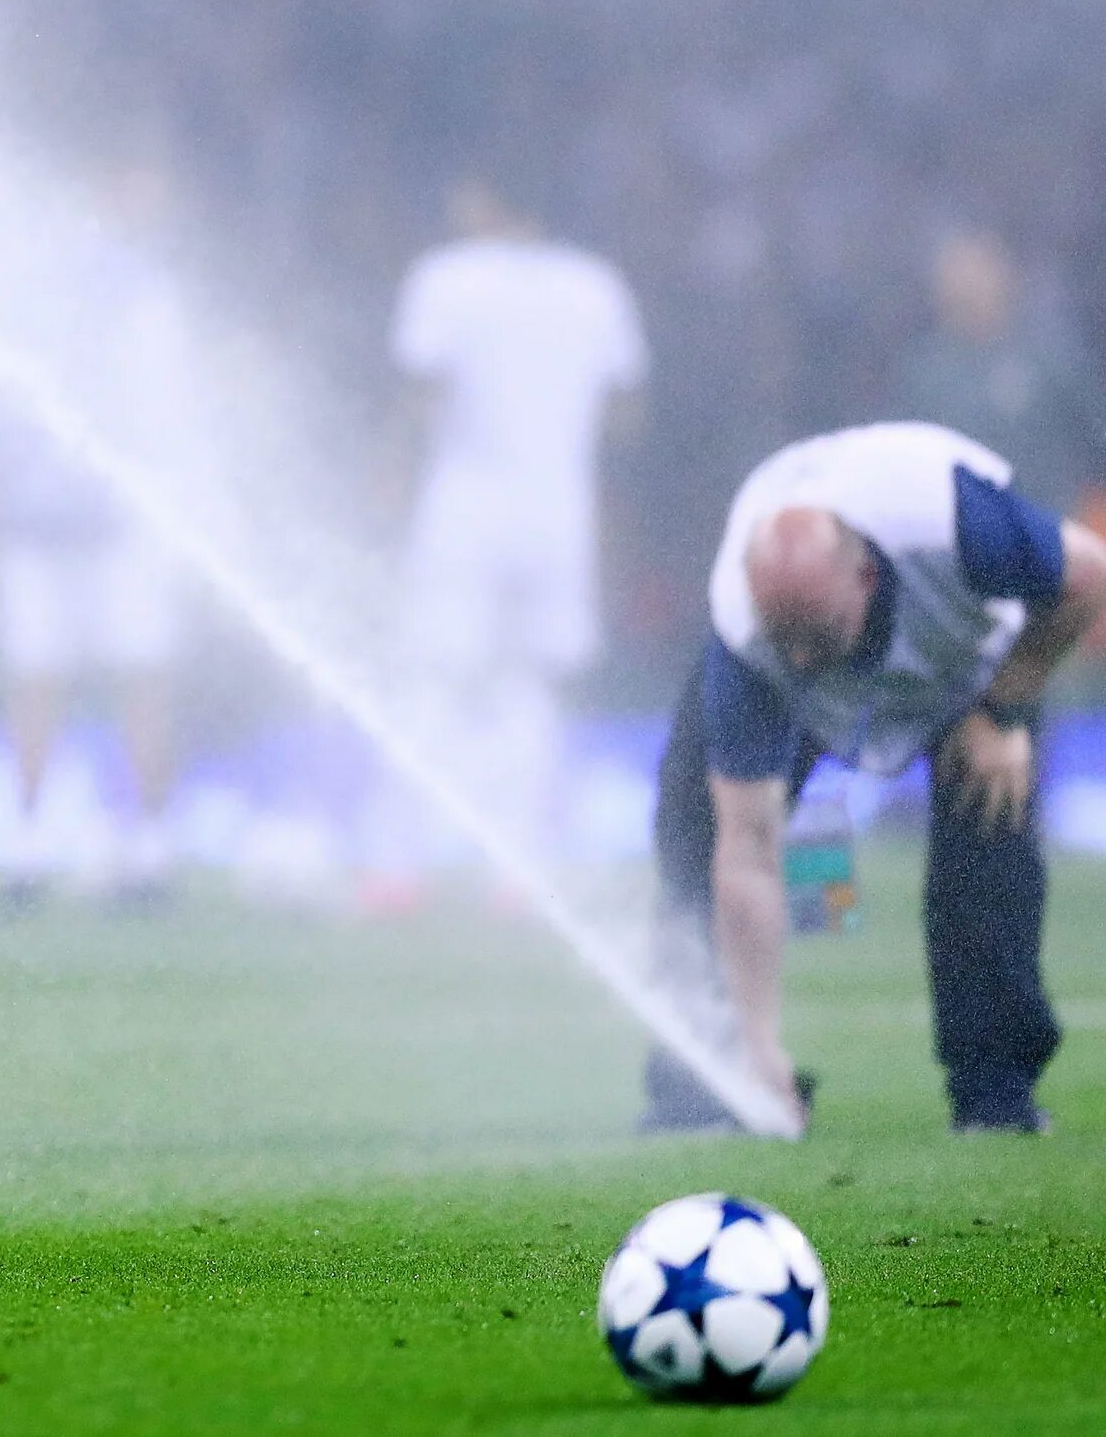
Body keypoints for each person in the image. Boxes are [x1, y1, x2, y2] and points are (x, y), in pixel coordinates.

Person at [644, 422, 1106, 1137]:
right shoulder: (747, 632)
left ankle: (995, 1098)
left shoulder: (954, 522)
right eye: (783, 638)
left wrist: (1007, 708)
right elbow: (748, 848)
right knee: (694, 827)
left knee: (990, 843)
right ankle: (708, 1081)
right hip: (818, 683)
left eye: (817, 634)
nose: (800, 658)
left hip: (968, 672)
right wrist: (760, 1044)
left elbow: (1089, 573)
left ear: (864, 575)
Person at [384, 177, 645, 891]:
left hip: (464, 505)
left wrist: (396, 470)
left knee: (433, 672)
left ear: (482, 199)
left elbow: (421, 391)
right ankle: (520, 868)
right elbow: (627, 410)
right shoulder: (596, 286)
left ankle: (401, 863)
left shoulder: (446, 278)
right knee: (532, 684)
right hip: (557, 509)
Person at [0, 155, 197, 901]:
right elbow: (167, 409)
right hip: (98, 517)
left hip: (57, 516)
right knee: (120, 677)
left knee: (64, 680)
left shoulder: (25, 279)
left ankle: (44, 850)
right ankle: (135, 851)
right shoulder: (142, 292)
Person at [889, 227, 1106, 514]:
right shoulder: (925, 372)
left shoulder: (1050, 358)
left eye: (977, 271)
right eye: (957, 275)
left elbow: (1094, 441)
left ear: (1005, 275)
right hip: (963, 541)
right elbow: (903, 465)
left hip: (1052, 530)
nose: (968, 286)